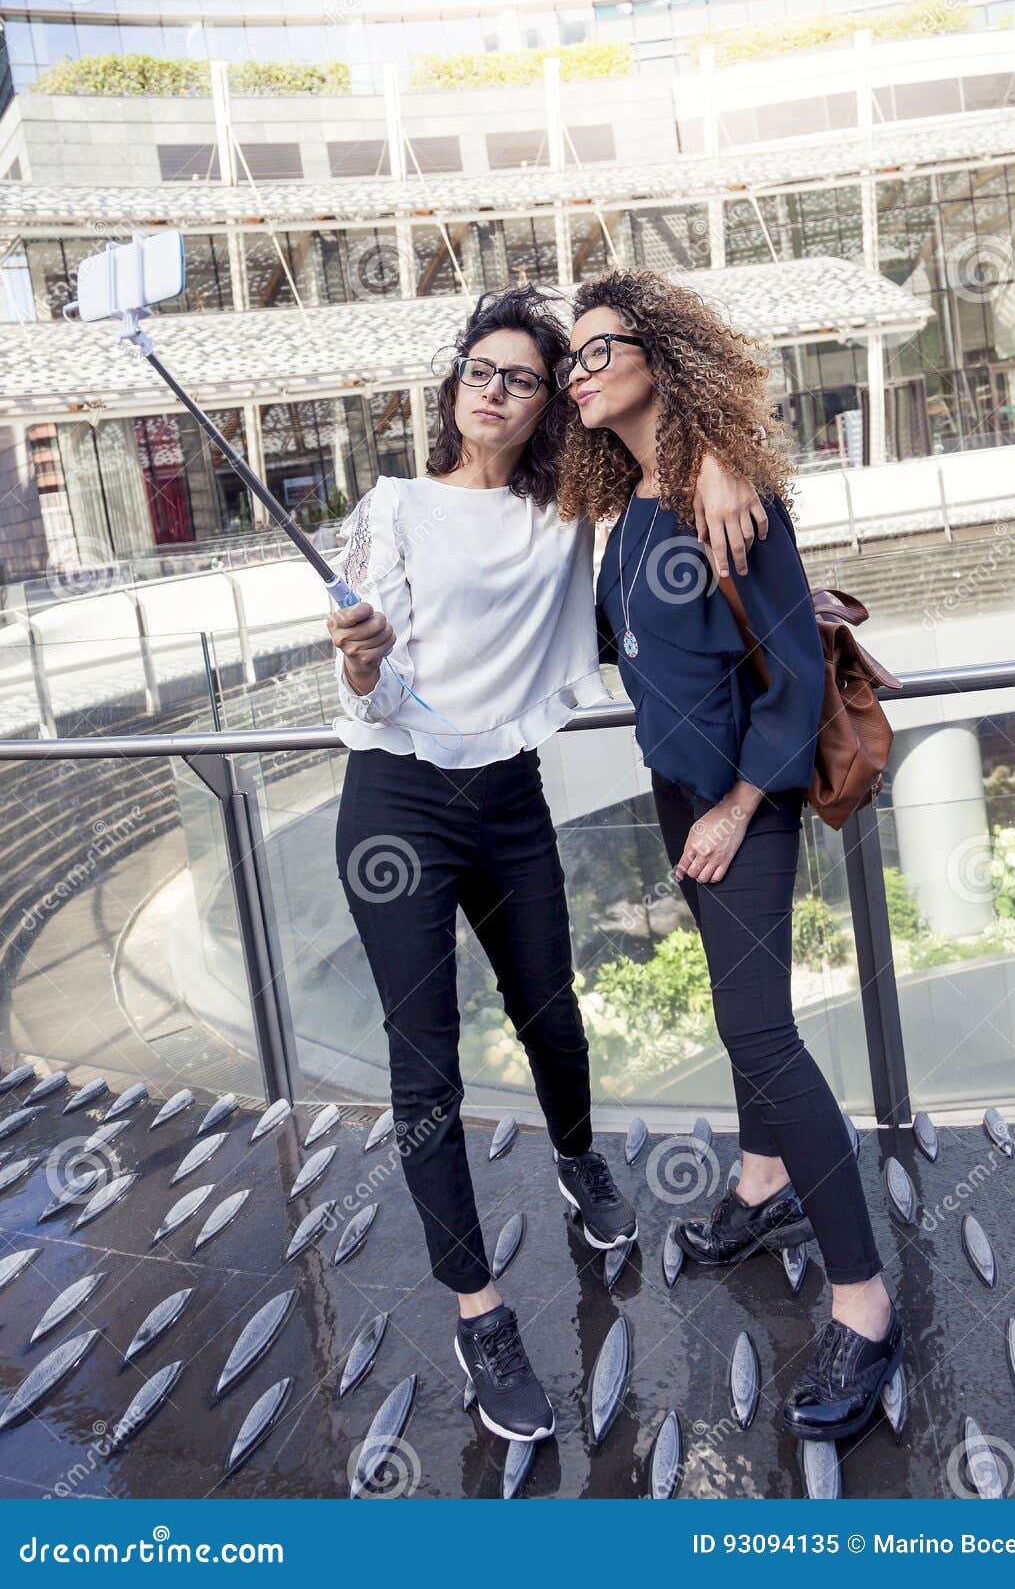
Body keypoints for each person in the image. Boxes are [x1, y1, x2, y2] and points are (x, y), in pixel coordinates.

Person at [327, 285, 756, 1444]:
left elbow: (657, 477)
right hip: (396, 806)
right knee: (426, 1076)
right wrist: (360, 655)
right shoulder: (396, 506)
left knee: (552, 1017)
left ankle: (578, 1159)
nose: (494, 388)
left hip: (505, 798)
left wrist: (715, 461)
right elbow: (361, 692)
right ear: (453, 382)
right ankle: (480, 1312)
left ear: (544, 408)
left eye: (522, 377)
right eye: (479, 367)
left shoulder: (569, 513)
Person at [555, 268, 904, 1443]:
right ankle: (761, 1185)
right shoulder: (638, 502)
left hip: (738, 808)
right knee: (731, 1010)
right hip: (681, 795)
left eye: (598, 350)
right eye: (571, 360)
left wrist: (738, 800)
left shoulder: (725, 491)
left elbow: (797, 672)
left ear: (660, 354)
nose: (579, 372)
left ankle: (861, 1302)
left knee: (760, 1031)